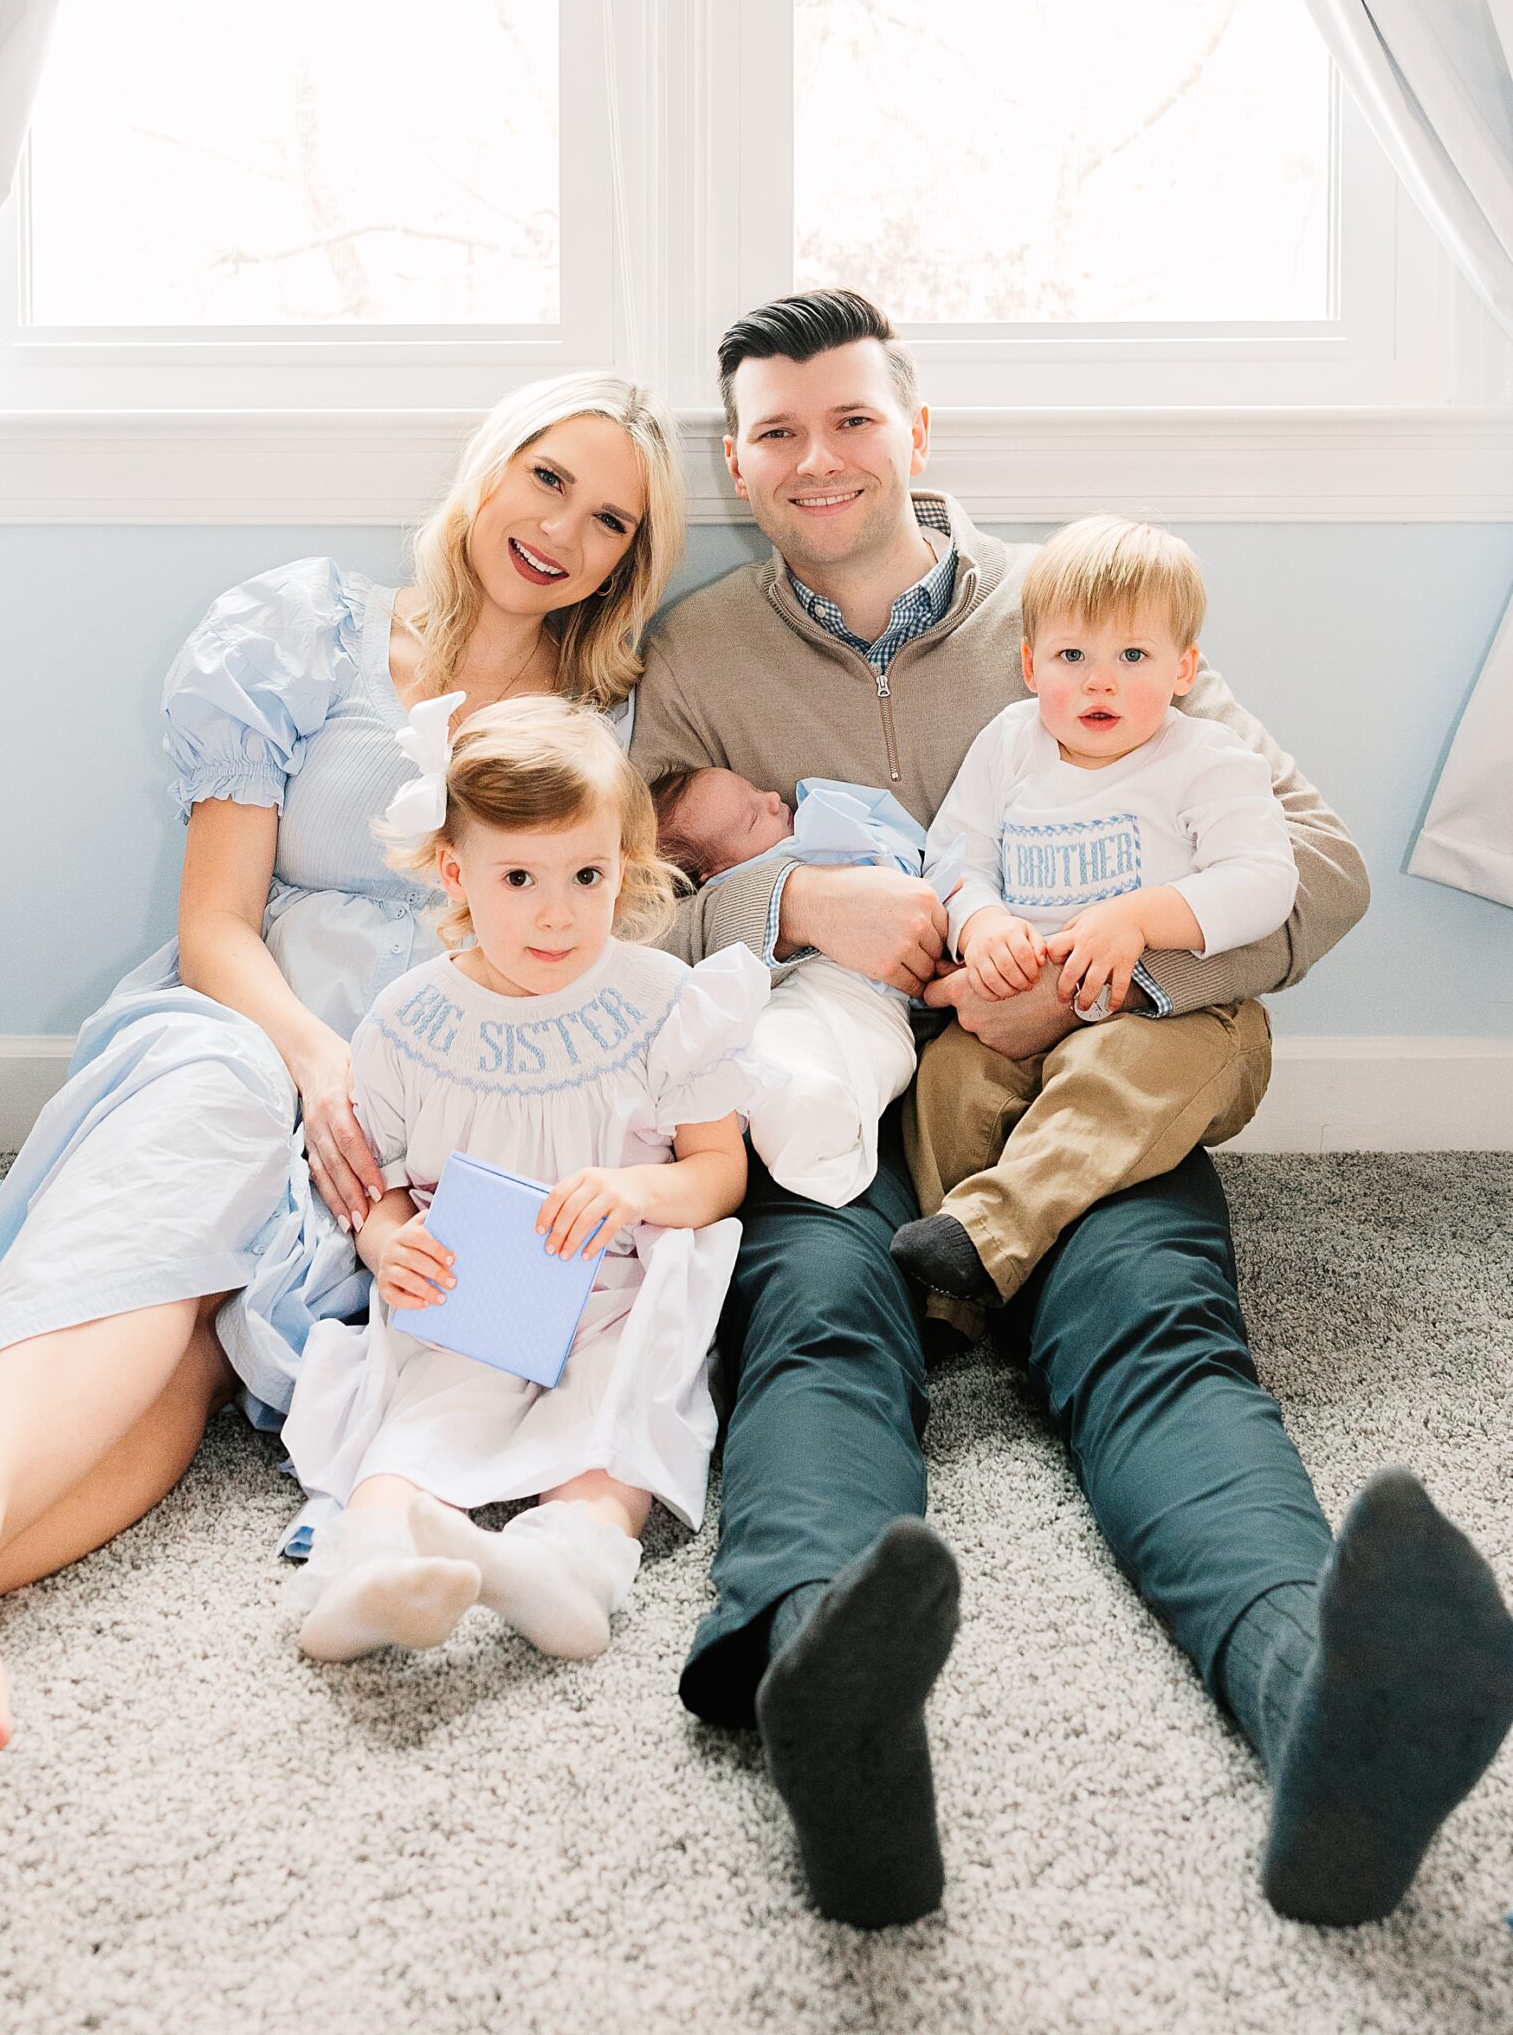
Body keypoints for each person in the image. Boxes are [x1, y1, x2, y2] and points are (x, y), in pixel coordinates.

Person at [631, 288, 1513, 1934]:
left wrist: (1103, 978)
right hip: (820, 1096)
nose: (816, 459)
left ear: (916, 429)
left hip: (1058, 1090)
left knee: (1155, 1331)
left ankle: (1319, 1695)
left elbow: (1307, 866)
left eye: (850, 419)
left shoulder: (1082, 608)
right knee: (812, 1330)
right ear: (737, 461)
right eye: (774, 432)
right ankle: (824, 1704)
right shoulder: (693, 657)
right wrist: (793, 909)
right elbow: (595, 926)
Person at [0, 372, 686, 1757]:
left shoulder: (603, 721)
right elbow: (213, 926)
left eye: (611, 522)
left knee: (196, 1340)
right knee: (188, 1179)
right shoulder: (305, 630)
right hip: (247, 1028)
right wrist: (314, 1059)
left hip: (413, 1111)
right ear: (488, 468)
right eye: (546, 478)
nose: (563, 529)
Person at [281, 695, 764, 1665]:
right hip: (475, 1289)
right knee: (413, 1419)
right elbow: (373, 1181)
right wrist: (387, 1241)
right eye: (519, 877)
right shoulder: (410, 1021)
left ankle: (562, 1567)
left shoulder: (661, 1002)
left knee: (615, 1419)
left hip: (612, 1286)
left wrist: (635, 1191)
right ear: (456, 873)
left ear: (621, 866)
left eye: (587, 874)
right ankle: (367, 1570)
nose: (558, 911)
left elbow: (719, 1174)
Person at [889, 511, 1297, 1310]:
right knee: (946, 1082)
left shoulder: (1204, 758)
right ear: (1029, 664)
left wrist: (1141, 919)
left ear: (1184, 668)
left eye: (1132, 656)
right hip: (1017, 1011)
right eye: (1071, 655)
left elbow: (1263, 880)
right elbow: (954, 855)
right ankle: (946, 1304)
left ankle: (989, 1234)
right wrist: (982, 922)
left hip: (1180, 1024)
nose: (1098, 681)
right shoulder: (1010, 743)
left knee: (1104, 1074)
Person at [650, 766, 938, 1207]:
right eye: (752, 818)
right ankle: (801, 1111)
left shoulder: (826, 826)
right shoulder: (739, 882)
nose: (771, 798)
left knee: (840, 1052)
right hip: (789, 994)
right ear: (718, 871)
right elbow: (647, 933)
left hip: (869, 998)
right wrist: (797, 904)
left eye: (753, 790)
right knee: (773, 1044)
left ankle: (809, 1112)